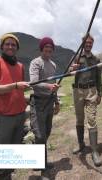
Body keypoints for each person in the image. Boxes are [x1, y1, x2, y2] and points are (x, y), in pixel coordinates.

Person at [0, 33, 29, 179]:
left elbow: (19, 90)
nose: (10, 46)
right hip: (4, 117)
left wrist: (25, 96)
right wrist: (15, 85)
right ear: (2, 46)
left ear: (17, 48)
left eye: (13, 45)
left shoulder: (20, 66)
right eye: (7, 44)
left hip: (20, 114)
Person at [71, 34, 102, 167]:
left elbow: (99, 77)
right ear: (83, 44)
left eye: (90, 43)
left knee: (91, 119)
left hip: (91, 91)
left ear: (92, 44)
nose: (88, 45)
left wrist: (99, 93)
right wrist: (73, 68)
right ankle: (81, 144)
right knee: (79, 118)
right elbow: (69, 71)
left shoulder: (96, 59)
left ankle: (94, 151)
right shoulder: (77, 57)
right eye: (86, 43)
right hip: (78, 91)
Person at [29, 37, 60, 172]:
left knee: (46, 132)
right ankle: (40, 163)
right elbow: (34, 82)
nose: (48, 49)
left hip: (49, 103)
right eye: (46, 47)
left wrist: (57, 102)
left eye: (50, 48)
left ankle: (40, 159)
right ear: (41, 48)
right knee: (40, 134)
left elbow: (55, 87)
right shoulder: (36, 63)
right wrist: (49, 86)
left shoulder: (53, 65)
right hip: (38, 103)